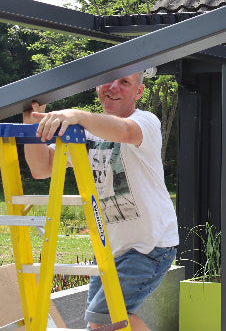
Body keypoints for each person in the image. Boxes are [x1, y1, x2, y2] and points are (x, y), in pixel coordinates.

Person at [23, 72, 178, 331]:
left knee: (104, 321)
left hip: (148, 247)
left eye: (125, 83)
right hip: (108, 249)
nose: (113, 88)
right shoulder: (84, 133)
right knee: (101, 323)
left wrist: (78, 114)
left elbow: (124, 131)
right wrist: (31, 122)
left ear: (138, 92)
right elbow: (41, 168)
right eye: (108, 80)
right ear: (97, 85)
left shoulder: (145, 121)